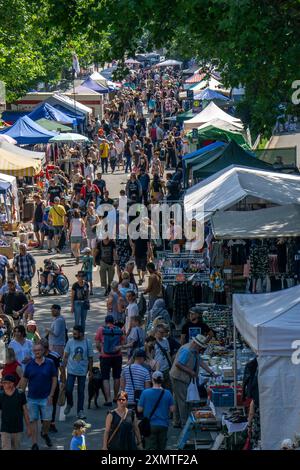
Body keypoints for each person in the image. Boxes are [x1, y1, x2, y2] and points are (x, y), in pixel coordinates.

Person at [170, 334, 216, 428]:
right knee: (183, 401)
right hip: (179, 377)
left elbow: (200, 361)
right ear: (195, 343)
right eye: (199, 346)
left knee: (177, 399)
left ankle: (176, 421)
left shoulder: (193, 350)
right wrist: (190, 371)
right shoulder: (187, 351)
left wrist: (211, 372)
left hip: (181, 377)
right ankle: (184, 423)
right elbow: (178, 364)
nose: (200, 348)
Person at [19, 342, 58, 449]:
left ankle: (44, 433)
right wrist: (20, 394)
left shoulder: (50, 363)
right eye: (35, 351)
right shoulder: (29, 365)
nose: (37, 352)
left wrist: (51, 394)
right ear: (33, 352)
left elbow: (54, 379)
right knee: (33, 420)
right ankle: (34, 443)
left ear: (43, 351)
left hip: (46, 397)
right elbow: (24, 380)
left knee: (47, 420)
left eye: (39, 350)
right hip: (32, 398)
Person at [138, 370, 174, 450]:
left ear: (152, 380)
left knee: (150, 447)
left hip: (150, 425)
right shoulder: (168, 393)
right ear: (162, 380)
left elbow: (139, 409)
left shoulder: (145, 393)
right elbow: (172, 409)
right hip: (163, 424)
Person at [63, 325, 93, 420]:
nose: (73, 335)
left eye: (75, 333)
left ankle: (80, 411)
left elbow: (90, 358)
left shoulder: (87, 343)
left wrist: (90, 371)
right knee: (68, 389)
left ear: (81, 333)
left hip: (82, 372)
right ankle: (70, 403)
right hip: (71, 370)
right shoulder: (70, 342)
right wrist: (62, 368)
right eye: (73, 333)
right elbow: (66, 356)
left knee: (81, 391)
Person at [95, 315, 125, 405]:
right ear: (113, 322)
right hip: (117, 356)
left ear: (105, 321)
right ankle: (116, 397)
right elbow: (123, 342)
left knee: (105, 378)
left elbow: (97, 343)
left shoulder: (101, 329)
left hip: (105, 356)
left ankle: (108, 399)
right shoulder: (119, 330)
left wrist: (101, 351)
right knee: (116, 377)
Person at [0, 374, 30, 450]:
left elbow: (25, 412)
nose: (3, 384)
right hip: (5, 428)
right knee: (6, 448)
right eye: (3, 382)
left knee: (15, 448)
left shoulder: (20, 394)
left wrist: (29, 428)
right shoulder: (1, 395)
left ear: (12, 383)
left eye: (5, 382)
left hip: (17, 428)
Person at [153, 324, 172, 389]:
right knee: (158, 388)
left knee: (168, 388)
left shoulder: (166, 340)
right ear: (155, 332)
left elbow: (168, 353)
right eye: (160, 332)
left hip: (166, 368)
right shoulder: (152, 342)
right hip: (157, 369)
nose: (162, 334)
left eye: (163, 332)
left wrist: (171, 366)